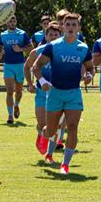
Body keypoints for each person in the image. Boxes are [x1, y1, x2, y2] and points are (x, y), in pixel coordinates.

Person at [33, 13, 95, 175]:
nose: (71, 28)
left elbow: (90, 67)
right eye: (68, 25)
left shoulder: (83, 48)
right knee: (52, 131)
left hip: (74, 94)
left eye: (74, 25)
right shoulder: (53, 46)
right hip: (55, 94)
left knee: (72, 127)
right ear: (63, 27)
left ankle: (65, 164)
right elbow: (36, 66)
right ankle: (43, 134)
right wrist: (43, 82)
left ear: (79, 28)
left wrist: (90, 75)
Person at [24, 22, 62, 163]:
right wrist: (29, 83)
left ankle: (50, 155)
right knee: (42, 124)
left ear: (60, 36)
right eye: (50, 34)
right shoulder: (37, 52)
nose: (52, 37)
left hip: (58, 93)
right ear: (45, 36)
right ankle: (41, 135)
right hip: (41, 93)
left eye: (56, 35)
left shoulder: (64, 51)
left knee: (55, 125)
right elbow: (27, 67)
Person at [0, 15, 33, 124]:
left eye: (14, 20)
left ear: (16, 22)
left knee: (19, 91)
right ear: (6, 22)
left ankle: (16, 105)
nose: (12, 22)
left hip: (20, 66)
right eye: (10, 21)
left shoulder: (22, 34)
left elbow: (31, 48)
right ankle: (10, 115)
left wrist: (20, 49)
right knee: (9, 91)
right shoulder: (3, 35)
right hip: (8, 65)